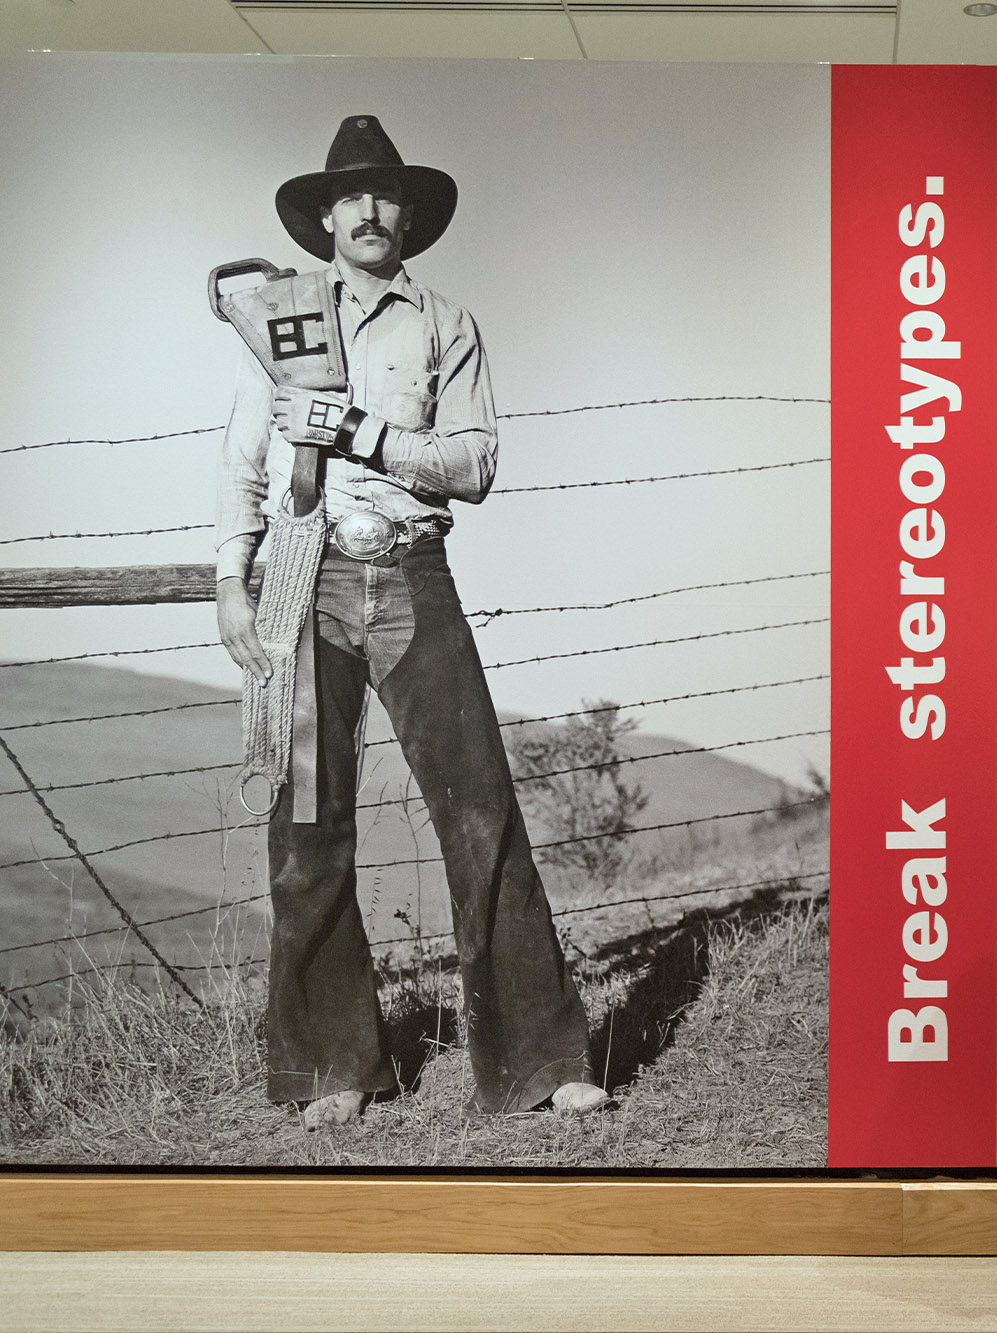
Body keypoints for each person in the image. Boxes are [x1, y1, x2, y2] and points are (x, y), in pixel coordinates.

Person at [214, 115, 606, 1129]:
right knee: (306, 822)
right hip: (304, 578)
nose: (371, 211)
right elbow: (241, 463)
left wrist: (365, 434)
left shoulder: (445, 322)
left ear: (409, 215)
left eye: (387, 195)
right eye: (352, 196)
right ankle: (335, 1066)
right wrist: (229, 577)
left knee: (478, 811)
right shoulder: (281, 321)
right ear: (326, 217)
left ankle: (538, 1061)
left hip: (412, 570)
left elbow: (473, 464)